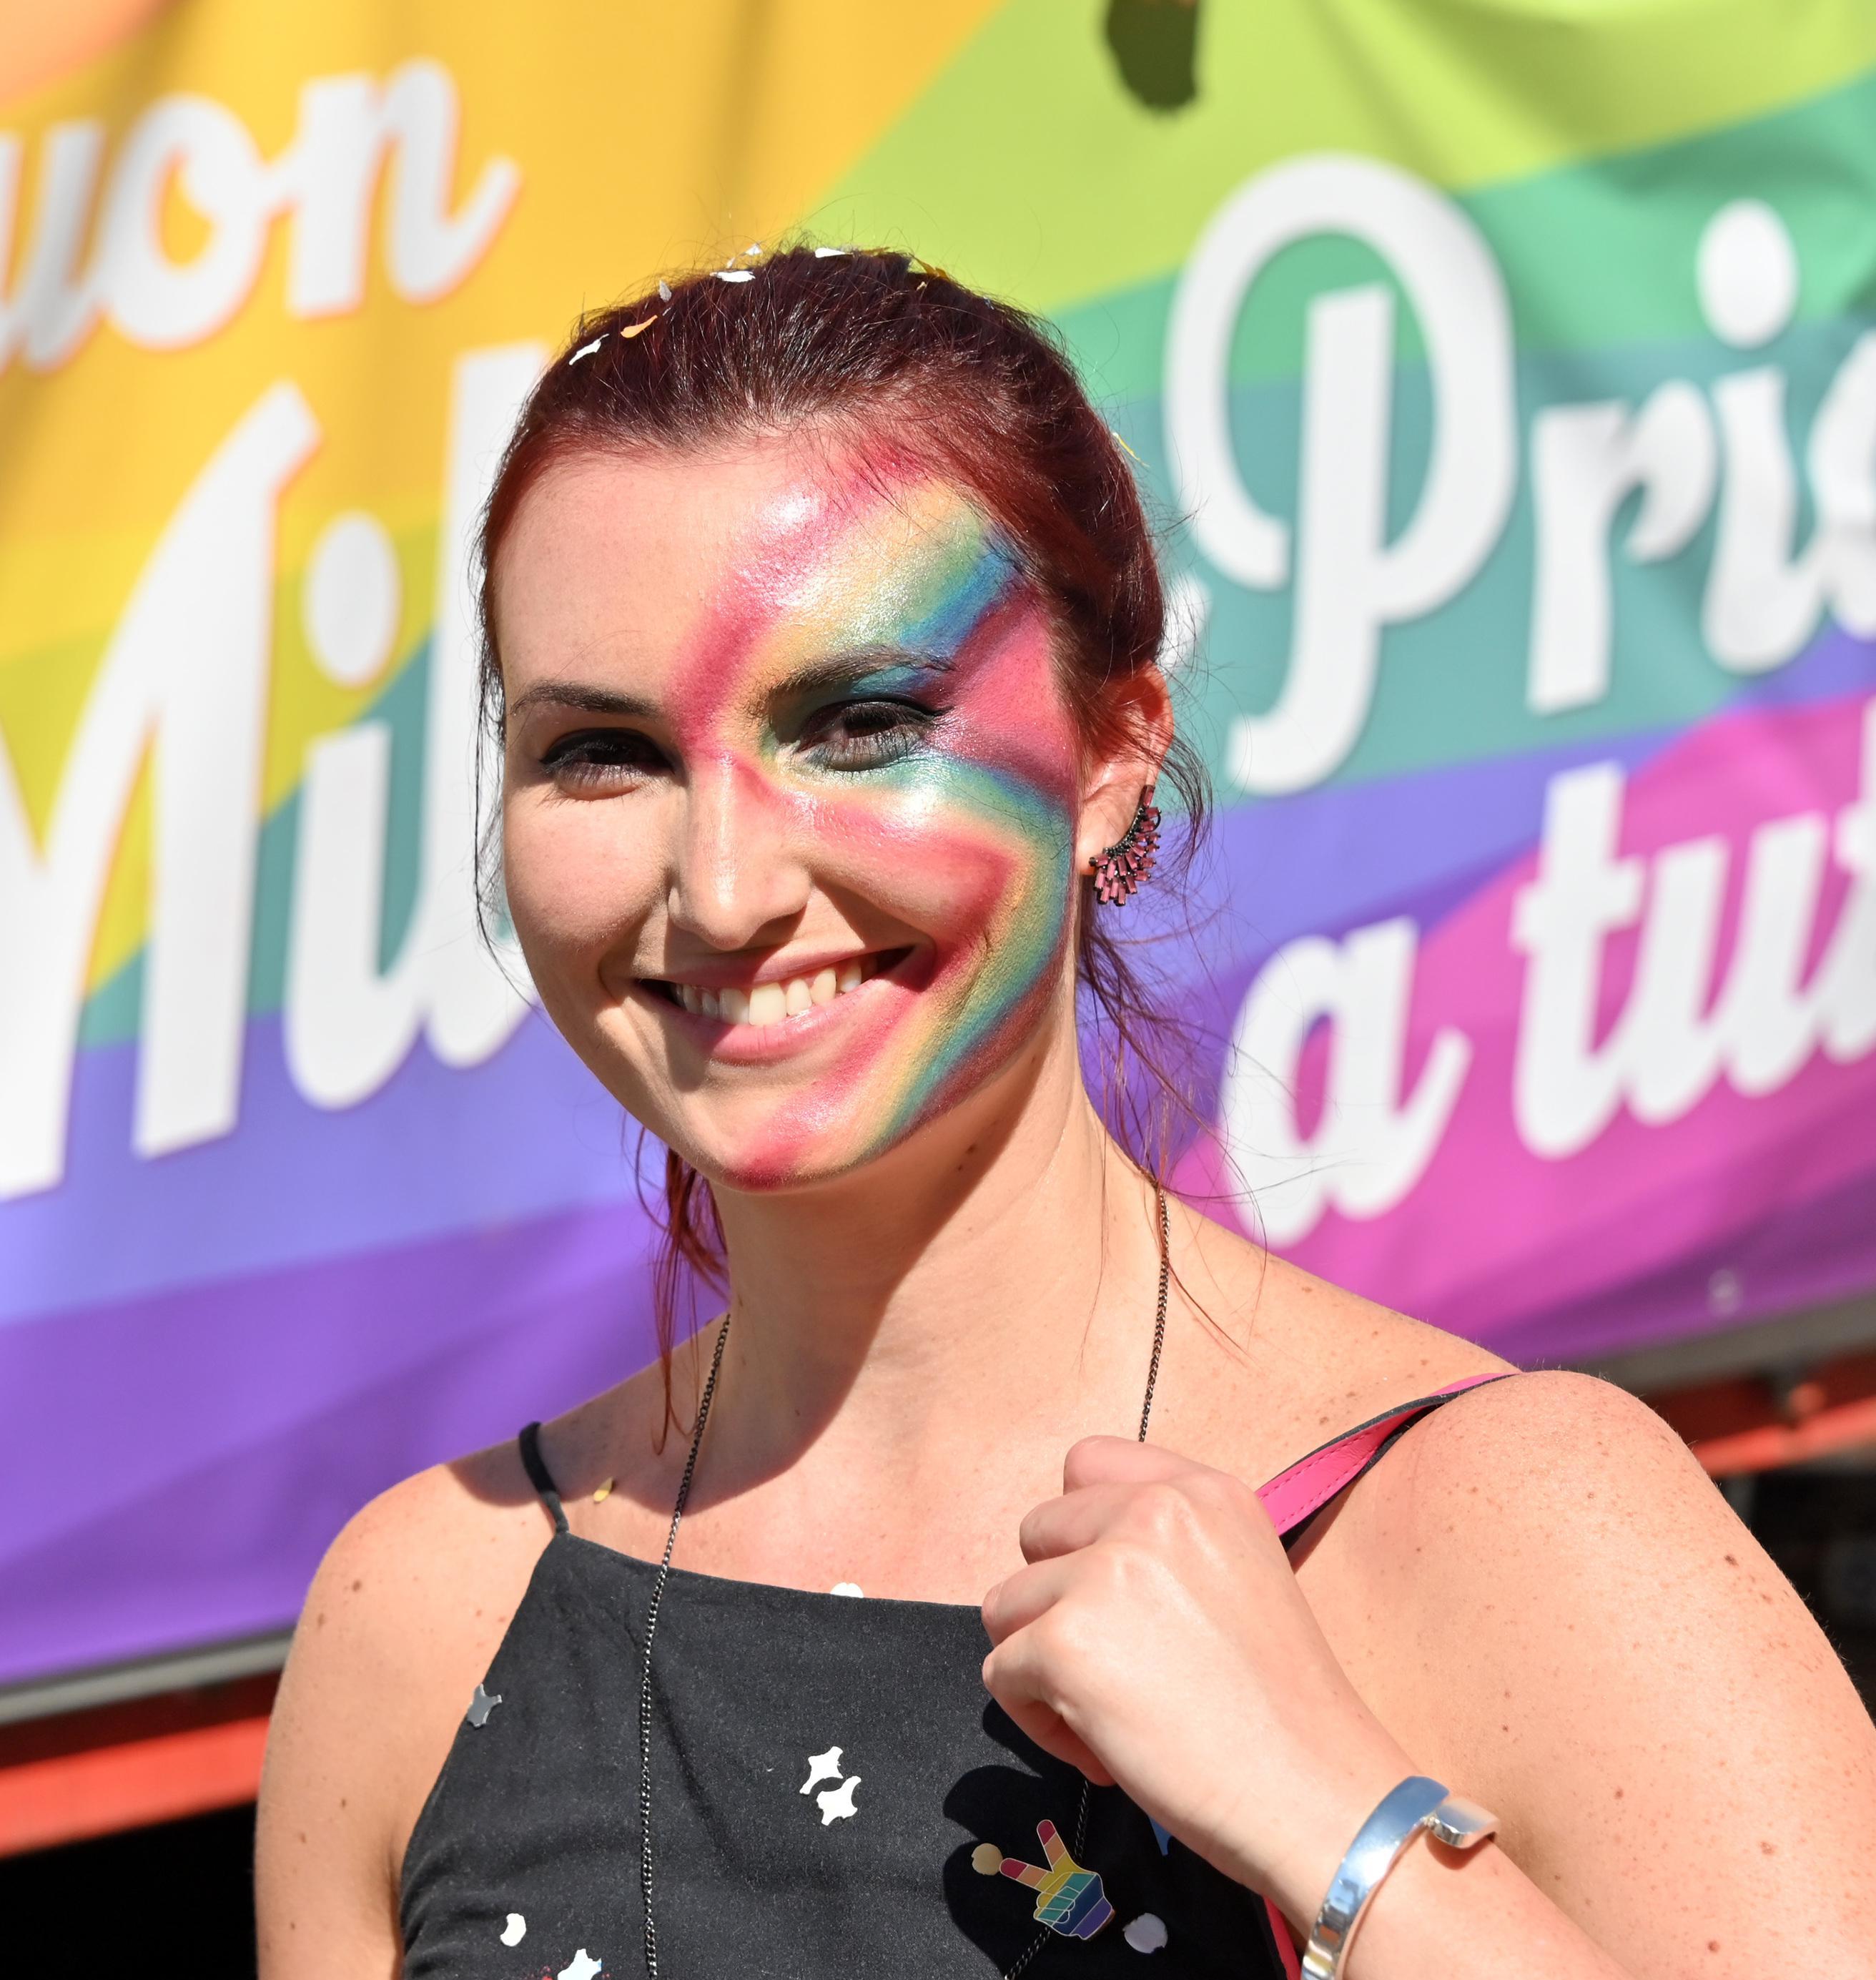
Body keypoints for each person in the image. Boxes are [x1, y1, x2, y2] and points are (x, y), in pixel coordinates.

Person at [256, 247, 1876, 1980]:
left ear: (1111, 755)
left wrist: (1346, 1832)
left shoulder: (1519, 1533)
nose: (720, 890)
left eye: (861, 722)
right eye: (604, 750)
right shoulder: (426, 1618)